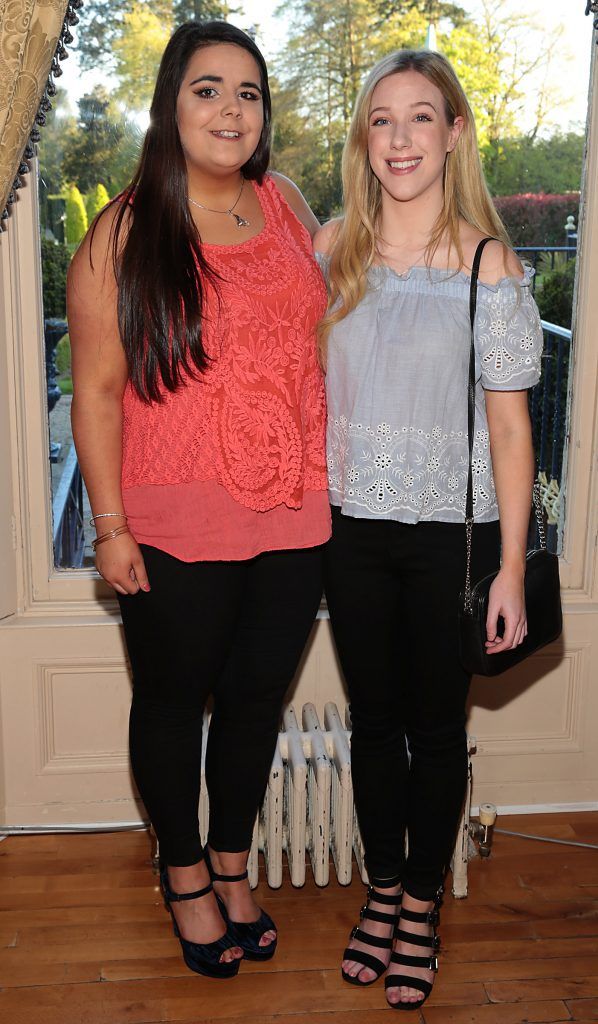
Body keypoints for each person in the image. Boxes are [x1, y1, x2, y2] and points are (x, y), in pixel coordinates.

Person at [67, 20, 330, 980]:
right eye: (209, 88)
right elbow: (95, 389)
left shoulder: (289, 204)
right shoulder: (125, 231)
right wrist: (110, 525)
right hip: (174, 519)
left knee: (259, 699)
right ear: (172, 104)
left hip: (295, 508)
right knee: (176, 703)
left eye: (249, 92)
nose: (231, 108)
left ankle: (230, 862)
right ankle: (182, 874)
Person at [313, 49, 543, 1010]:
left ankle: (420, 907)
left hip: (457, 537)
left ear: (454, 133)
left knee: (437, 732)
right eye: (381, 120)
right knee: (373, 727)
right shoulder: (332, 251)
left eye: (420, 118)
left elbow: (509, 424)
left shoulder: (493, 263)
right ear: (365, 144)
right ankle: (380, 891)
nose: (400, 138)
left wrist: (513, 573)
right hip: (350, 528)